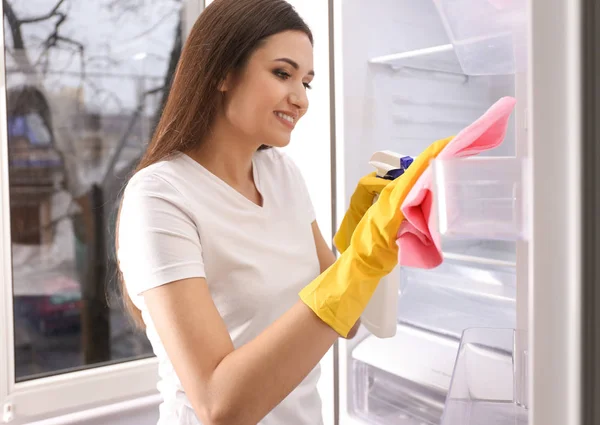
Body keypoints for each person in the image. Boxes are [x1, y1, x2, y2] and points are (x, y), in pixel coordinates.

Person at [116, 0, 451, 424]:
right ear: (221, 71)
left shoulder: (280, 174)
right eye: (282, 73)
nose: (301, 99)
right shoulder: (160, 197)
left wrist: (359, 238)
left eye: (306, 82)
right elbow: (220, 406)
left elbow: (345, 323)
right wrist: (362, 261)